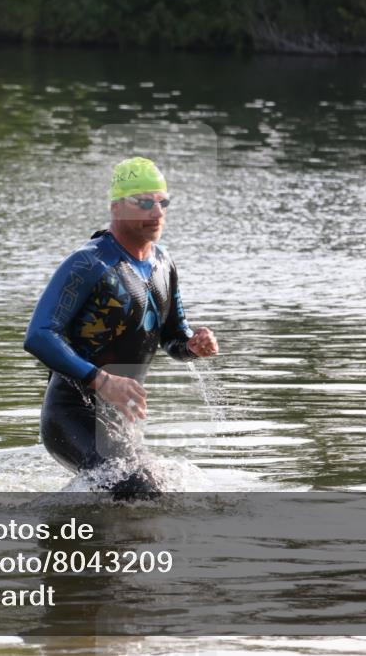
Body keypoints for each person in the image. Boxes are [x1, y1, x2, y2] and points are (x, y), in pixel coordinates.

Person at [24, 156, 219, 499]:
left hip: (120, 420)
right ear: (116, 207)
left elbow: (174, 336)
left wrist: (192, 345)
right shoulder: (89, 263)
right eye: (143, 202)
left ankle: (82, 535)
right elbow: (39, 335)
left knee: (157, 490)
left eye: (162, 202)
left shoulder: (163, 264)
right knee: (138, 489)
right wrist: (100, 380)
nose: (156, 212)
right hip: (72, 413)